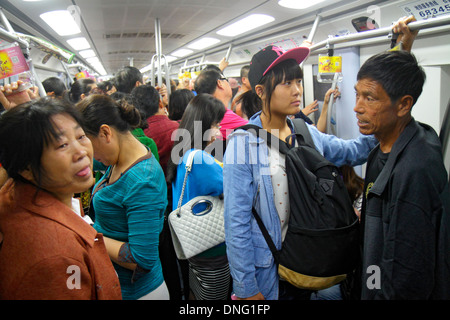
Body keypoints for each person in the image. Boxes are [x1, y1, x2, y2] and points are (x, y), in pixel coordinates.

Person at [223, 45, 378, 300]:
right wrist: (247, 289)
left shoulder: (303, 131)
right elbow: (236, 223)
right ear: (261, 92)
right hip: (269, 273)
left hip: (306, 259)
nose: (297, 90)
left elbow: (351, 151)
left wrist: (382, 125)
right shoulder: (243, 145)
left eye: (298, 81)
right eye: (286, 83)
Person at [0, 96, 122, 299]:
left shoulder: (21, 193)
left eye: (81, 136)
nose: (81, 152)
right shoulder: (56, 257)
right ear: (26, 168)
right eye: (62, 145)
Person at [356, 50, 450, 300]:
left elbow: (408, 271)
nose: (357, 107)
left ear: (404, 105)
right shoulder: (380, 151)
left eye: (370, 98)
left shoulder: (416, 168)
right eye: (358, 94)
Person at [75, 94, 169, 300]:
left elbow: (141, 259)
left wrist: (88, 234)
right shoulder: (118, 160)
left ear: (106, 133)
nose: (88, 156)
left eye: (88, 145)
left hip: (140, 293)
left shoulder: (143, 181)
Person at [166, 93, 230, 300]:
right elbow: (232, 190)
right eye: (216, 124)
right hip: (213, 246)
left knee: (198, 291)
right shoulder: (201, 158)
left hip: (194, 243)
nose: (219, 130)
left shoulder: (184, 153)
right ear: (203, 125)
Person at [130, 84, 183, 300]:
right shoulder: (177, 128)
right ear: (160, 103)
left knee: (159, 252)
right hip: (174, 197)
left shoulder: (136, 134)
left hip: (149, 207)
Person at [194, 66, 248, 140]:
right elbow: (257, 130)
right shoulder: (222, 115)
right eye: (225, 80)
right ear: (220, 83)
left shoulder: (204, 112)